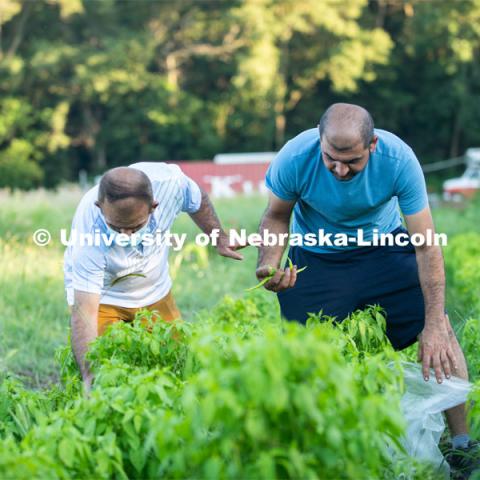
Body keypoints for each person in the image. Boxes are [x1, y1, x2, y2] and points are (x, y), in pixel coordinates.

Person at [255, 103, 478, 477]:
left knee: (438, 330)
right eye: (331, 159)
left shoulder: (398, 159)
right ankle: (317, 448)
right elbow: (276, 216)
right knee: (304, 355)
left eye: (352, 161)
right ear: (319, 138)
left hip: (384, 247)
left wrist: (434, 321)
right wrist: (269, 263)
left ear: (372, 145)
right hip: (316, 255)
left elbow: (425, 245)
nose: (340, 170)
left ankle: (462, 445)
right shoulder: (294, 155)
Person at [64, 162, 243, 393]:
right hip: (106, 295)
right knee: (108, 371)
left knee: (177, 362)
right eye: (116, 228)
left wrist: (219, 237)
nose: (126, 236)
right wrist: (89, 377)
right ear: (100, 207)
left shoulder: (171, 185)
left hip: (154, 289)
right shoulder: (87, 232)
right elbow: (85, 311)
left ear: (154, 207)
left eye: (135, 227)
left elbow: (196, 199)